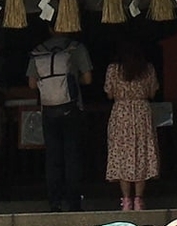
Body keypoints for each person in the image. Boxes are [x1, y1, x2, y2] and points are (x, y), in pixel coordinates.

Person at [28, 30, 93, 212]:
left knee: (53, 156)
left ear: (49, 27)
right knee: (72, 154)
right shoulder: (76, 48)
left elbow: (32, 84)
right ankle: (74, 201)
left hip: (48, 109)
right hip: (71, 108)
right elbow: (88, 78)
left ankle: (54, 201)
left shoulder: (38, 51)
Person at [104, 41, 159, 211]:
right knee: (141, 153)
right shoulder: (147, 69)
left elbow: (109, 93)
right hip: (142, 112)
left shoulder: (113, 70)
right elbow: (152, 92)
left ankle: (126, 200)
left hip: (121, 113)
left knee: (123, 155)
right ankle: (139, 200)